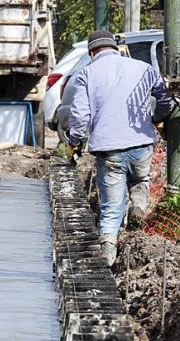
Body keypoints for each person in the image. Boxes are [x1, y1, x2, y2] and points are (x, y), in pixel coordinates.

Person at [65, 30, 174, 266]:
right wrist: (156, 117)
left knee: (111, 206)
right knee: (140, 179)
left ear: (92, 52)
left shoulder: (87, 73)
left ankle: (107, 252)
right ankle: (138, 206)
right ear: (115, 48)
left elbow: (80, 115)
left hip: (108, 147)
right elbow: (166, 98)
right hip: (141, 142)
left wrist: (75, 141)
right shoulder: (142, 67)